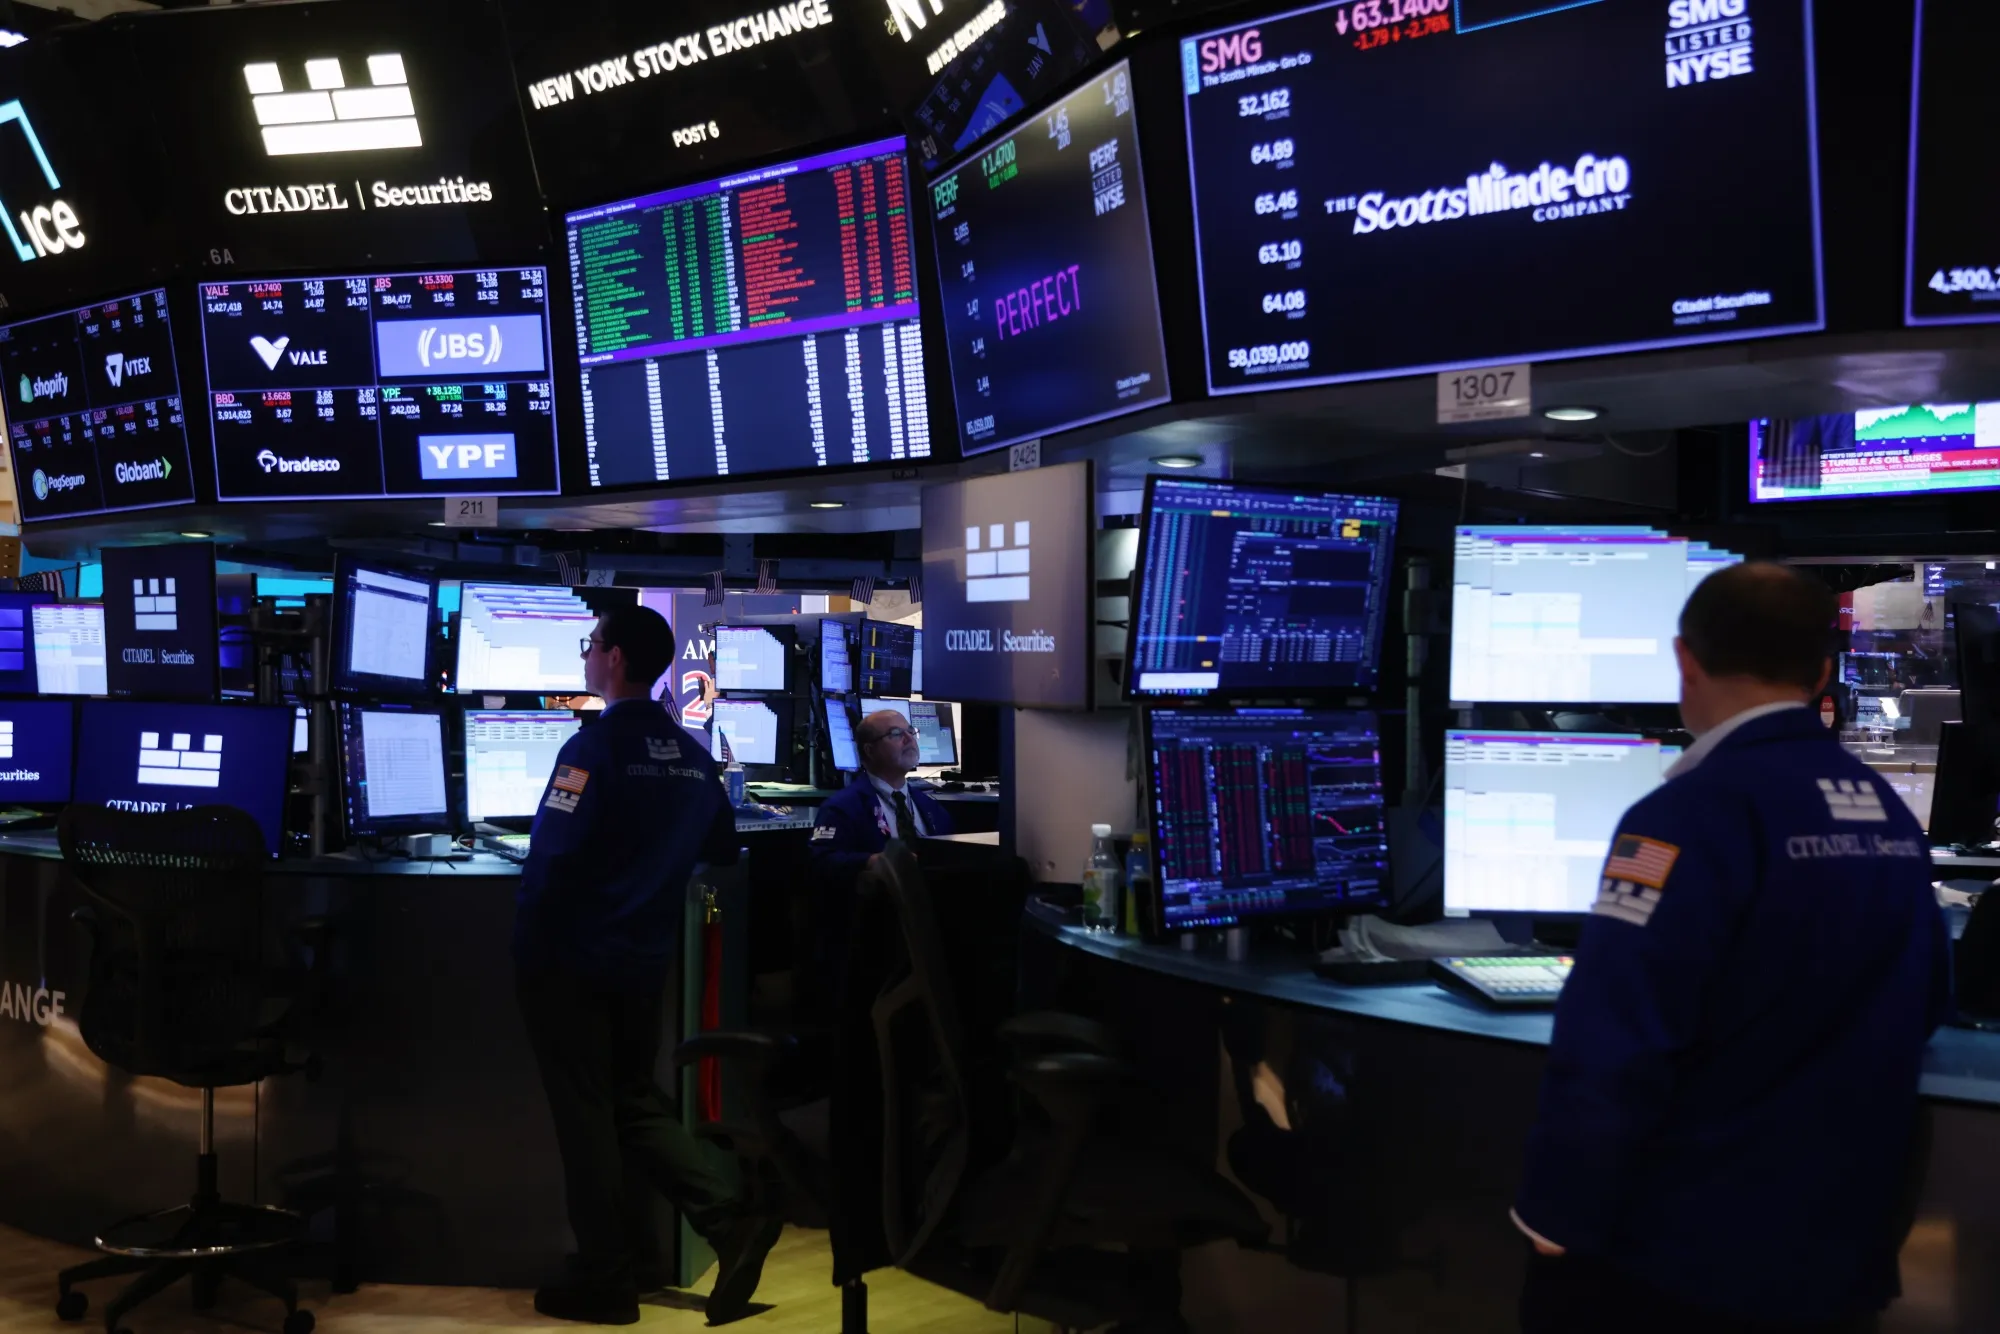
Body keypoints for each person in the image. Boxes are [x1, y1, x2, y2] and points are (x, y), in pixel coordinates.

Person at [1514, 562, 1952, 1334]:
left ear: (1685, 659)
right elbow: (1926, 1001)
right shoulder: (1883, 810)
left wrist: (1557, 1213)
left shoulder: (1686, 814)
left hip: (1680, 1259)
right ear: (1822, 673)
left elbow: (1618, 1032)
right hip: (1834, 1251)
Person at [516, 603, 779, 1326]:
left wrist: (526, 951)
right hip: (643, 963)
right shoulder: (695, 758)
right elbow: (724, 852)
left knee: (587, 1117)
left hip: (570, 960)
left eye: (591, 645)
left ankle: (605, 1278)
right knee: (631, 1101)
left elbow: (551, 862)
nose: (586, 656)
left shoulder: (590, 752)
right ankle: (730, 1220)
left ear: (617, 660)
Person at [805, 709, 954, 989]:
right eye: (896, 734)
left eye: (911, 731)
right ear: (869, 750)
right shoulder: (843, 807)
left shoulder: (931, 808)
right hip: (878, 930)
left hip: (932, 919)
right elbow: (821, 862)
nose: (909, 739)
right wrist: (872, 861)